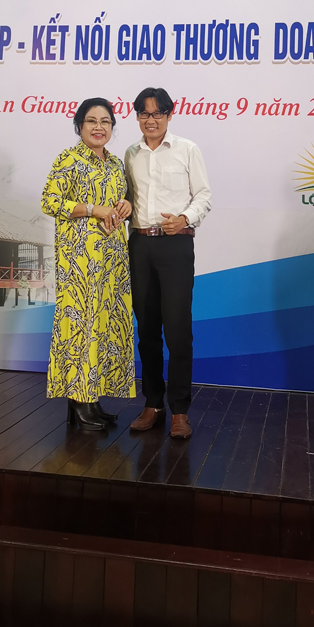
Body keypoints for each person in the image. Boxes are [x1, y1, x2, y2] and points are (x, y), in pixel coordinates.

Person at [41, 98, 135, 430]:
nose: (99, 127)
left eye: (105, 121)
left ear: (112, 127)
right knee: (81, 324)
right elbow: (49, 201)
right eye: (91, 121)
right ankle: (78, 401)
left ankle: (90, 399)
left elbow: (121, 202)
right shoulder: (69, 159)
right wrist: (94, 209)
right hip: (80, 260)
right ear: (79, 125)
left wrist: (125, 205)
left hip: (112, 258)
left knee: (103, 326)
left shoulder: (115, 164)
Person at [124, 87, 211, 439]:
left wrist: (185, 218)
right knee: (146, 329)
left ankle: (180, 410)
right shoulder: (130, 154)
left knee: (177, 330)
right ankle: (153, 403)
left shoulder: (187, 149)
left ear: (169, 115)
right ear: (137, 117)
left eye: (157, 113)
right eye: (144, 113)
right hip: (139, 245)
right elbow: (127, 198)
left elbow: (203, 195)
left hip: (176, 245)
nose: (151, 120)